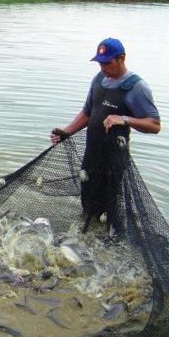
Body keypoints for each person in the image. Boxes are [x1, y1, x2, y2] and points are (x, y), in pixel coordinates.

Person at [50, 38, 161, 222]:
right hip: (91, 156)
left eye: (107, 63)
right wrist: (67, 131)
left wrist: (124, 119)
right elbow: (88, 112)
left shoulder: (135, 87)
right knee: (87, 207)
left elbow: (154, 125)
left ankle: (108, 242)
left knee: (108, 213)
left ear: (121, 59)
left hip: (113, 161)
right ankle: (89, 241)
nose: (103, 68)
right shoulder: (99, 79)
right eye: (100, 63)